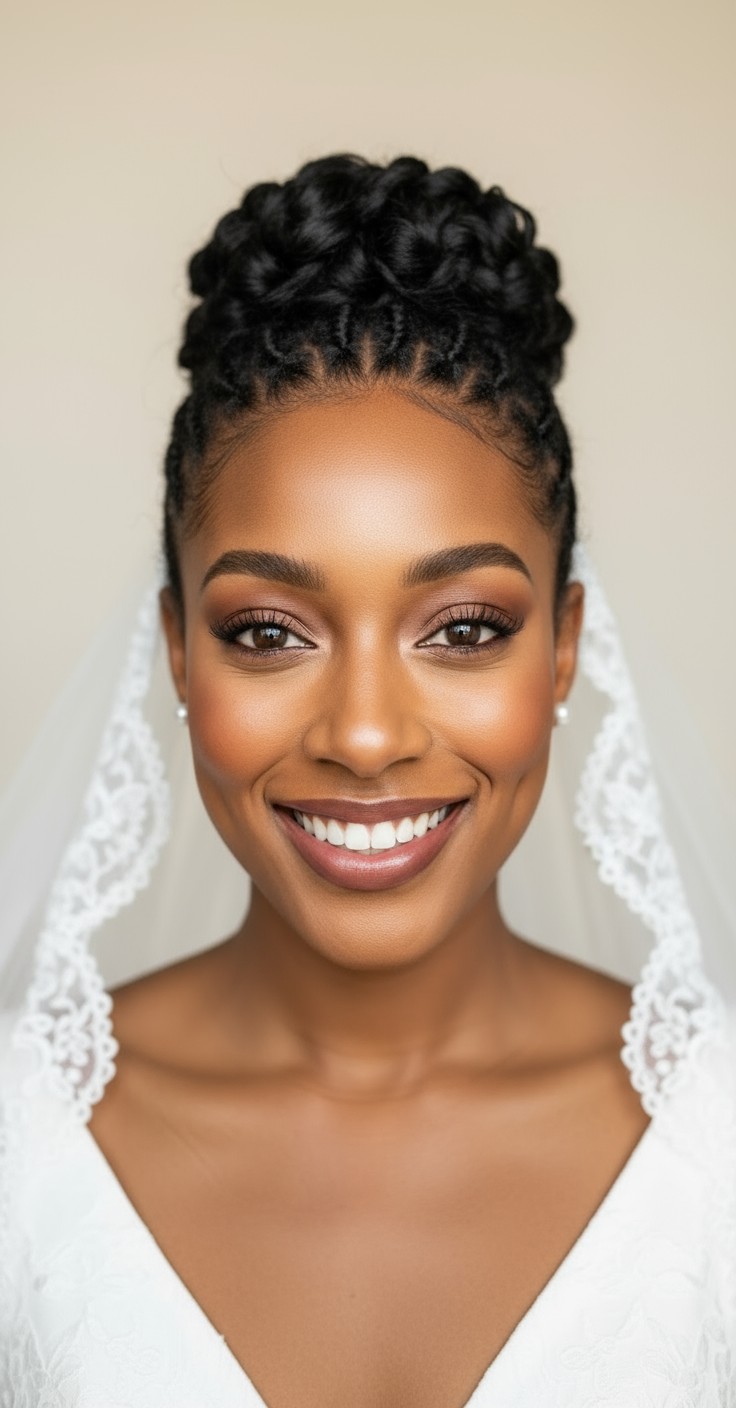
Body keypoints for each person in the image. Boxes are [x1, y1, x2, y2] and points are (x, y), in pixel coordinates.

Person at [0, 154, 734, 1405]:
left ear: (563, 646)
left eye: (462, 627)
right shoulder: (21, 1154)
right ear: (177, 648)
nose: (365, 734)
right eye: (268, 631)